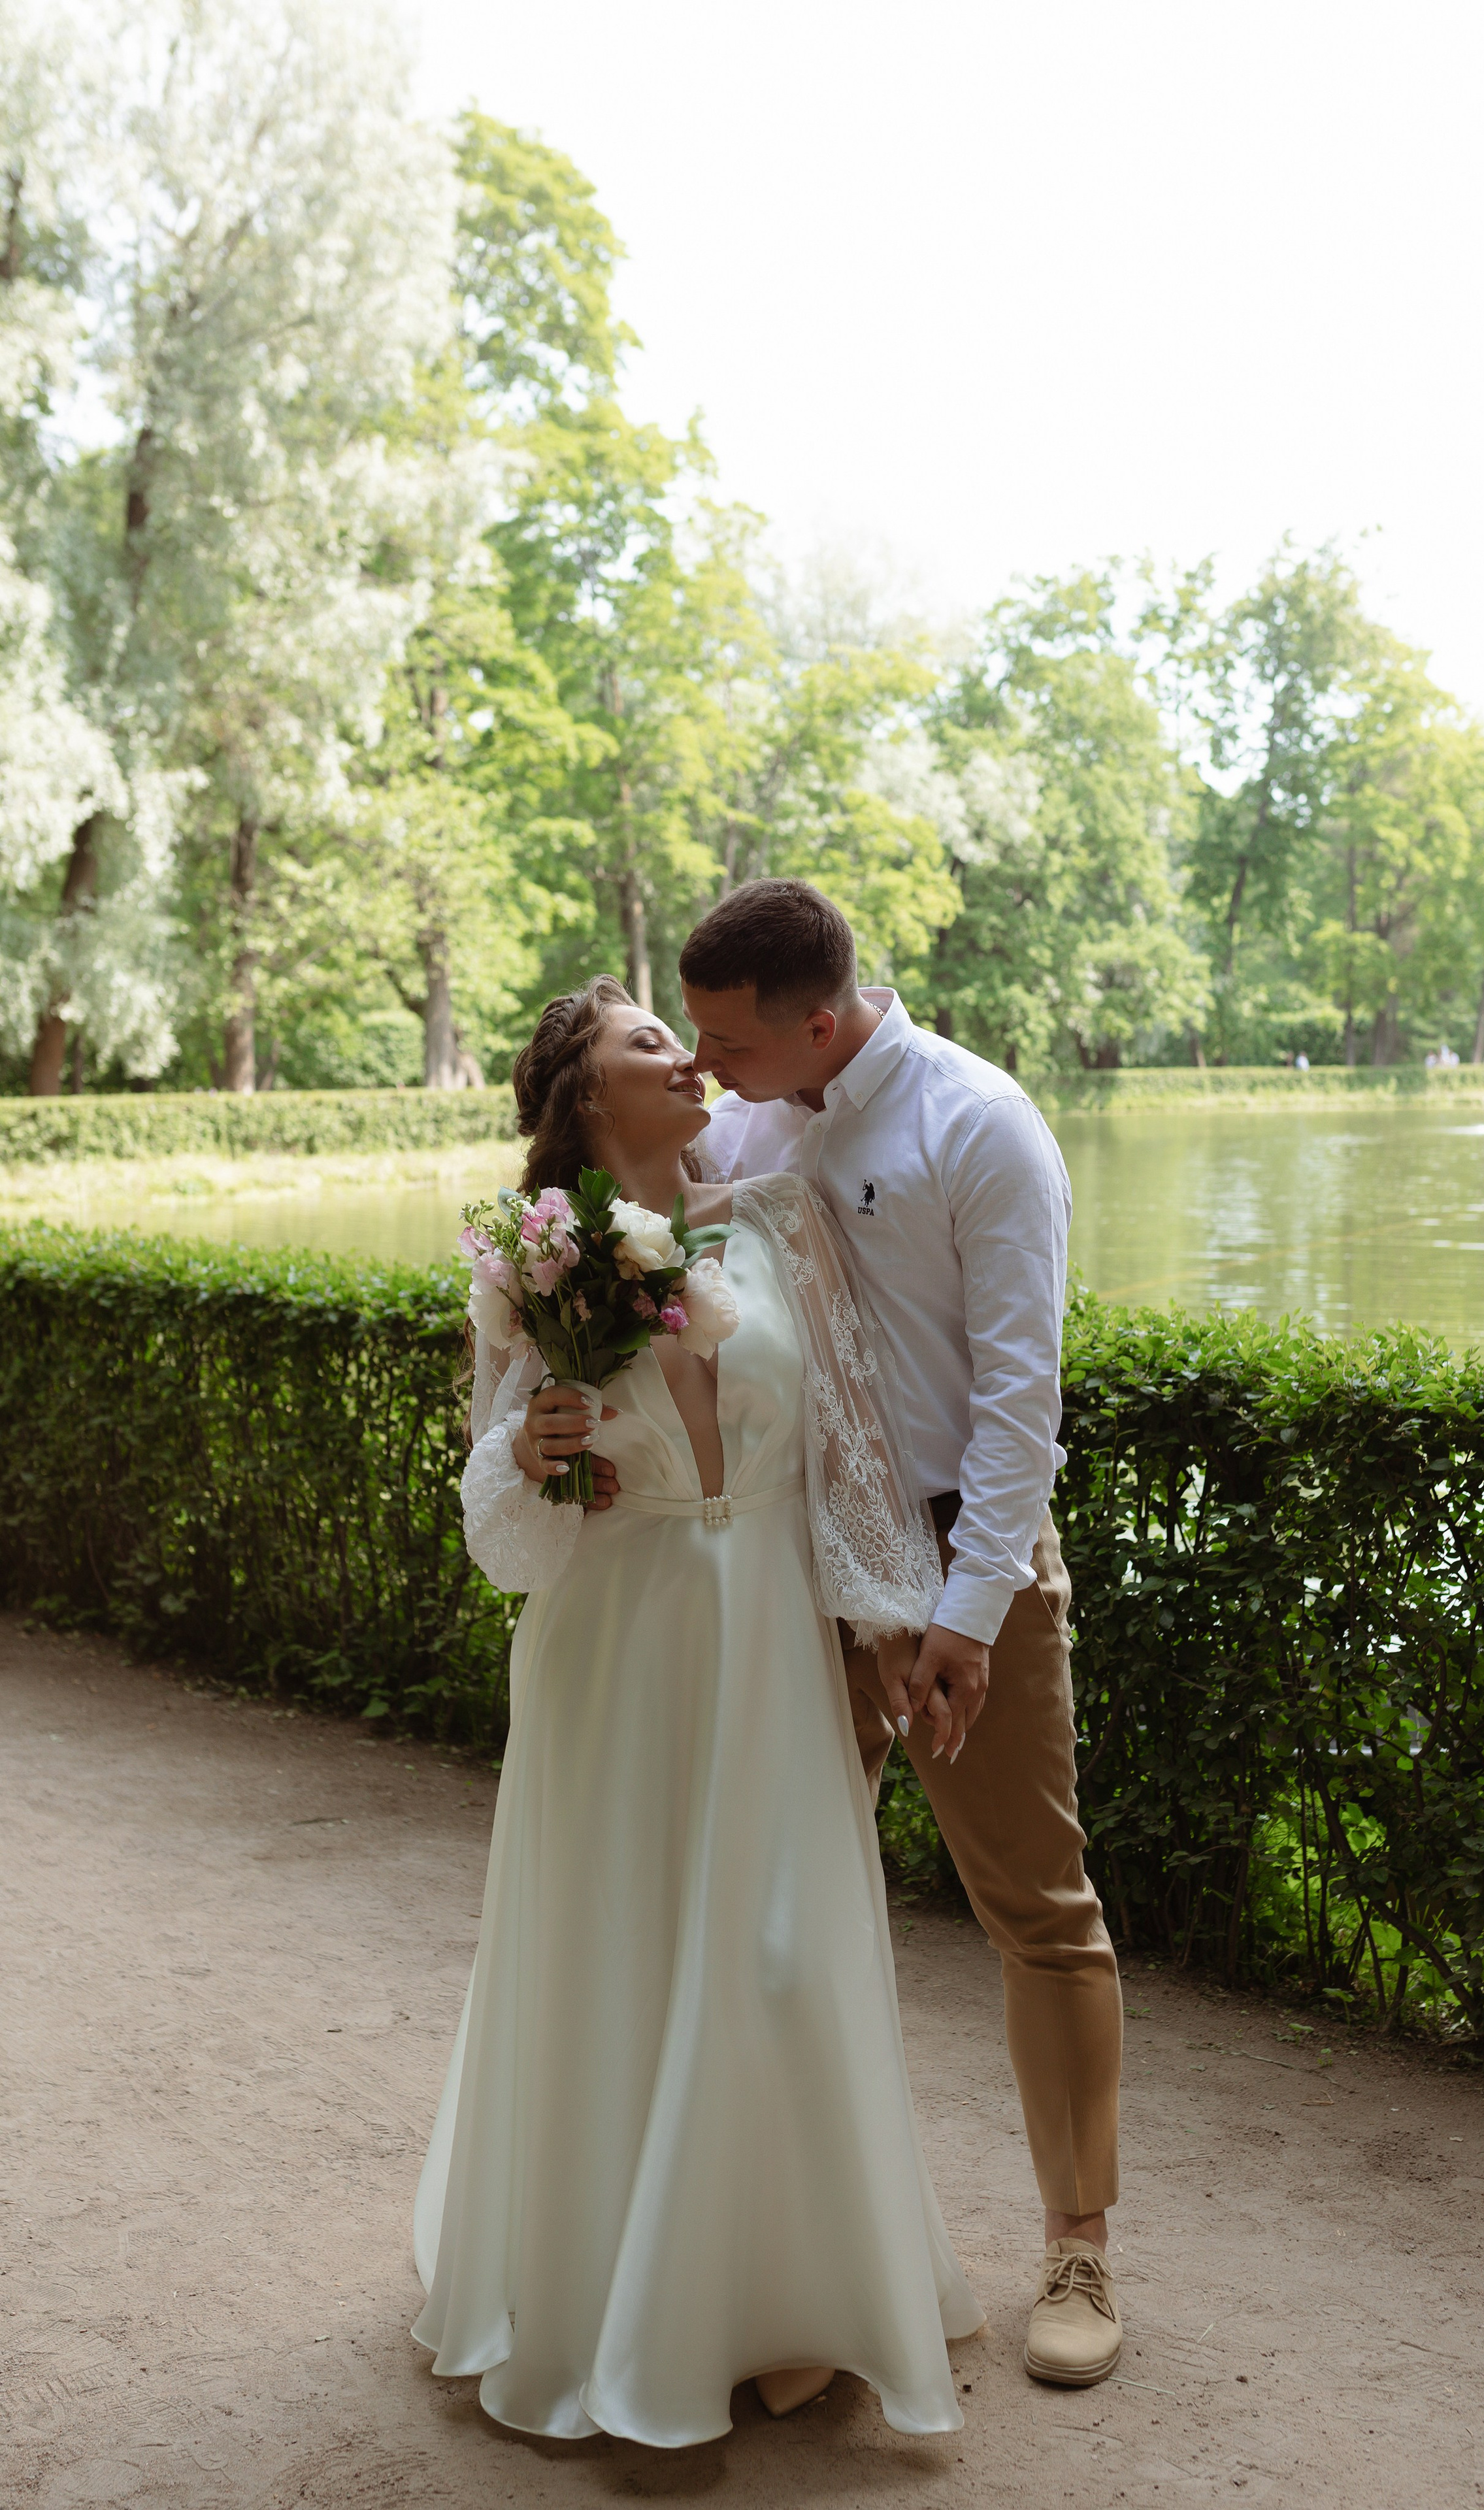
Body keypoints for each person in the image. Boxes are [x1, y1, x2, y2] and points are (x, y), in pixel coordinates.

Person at [413, 974, 983, 2447]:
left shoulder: (782, 1219)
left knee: (779, 1961)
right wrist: (532, 1451)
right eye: (649, 1043)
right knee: (623, 1963)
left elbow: (849, 1435)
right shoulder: (531, 1258)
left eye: (687, 1037)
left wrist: (894, 1622)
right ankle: (625, 2329)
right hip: (620, 1645)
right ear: (583, 1097)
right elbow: (498, 1523)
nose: (687, 1057)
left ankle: (786, 2303)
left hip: (771, 1650)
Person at [670, 876, 1127, 2390]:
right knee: (774, 1901)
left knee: (1034, 1906)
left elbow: (1019, 1402)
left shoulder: (976, 1124)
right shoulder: (743, 1121)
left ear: (819, 1018)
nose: (704, 1069)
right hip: (791, 1564)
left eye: (724, 1043)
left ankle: (1076, 2248)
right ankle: (798, 2273)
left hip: (950, 1557)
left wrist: (968, 1611)